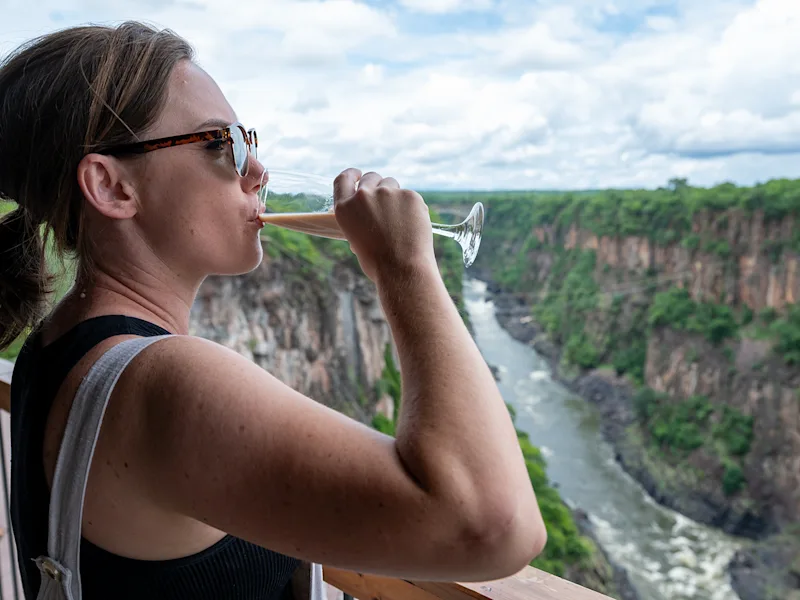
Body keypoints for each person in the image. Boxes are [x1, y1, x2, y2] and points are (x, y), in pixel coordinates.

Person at [0, 21, 547, 600]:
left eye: (248, 141)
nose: (257, 171)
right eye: (220, 144)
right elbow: (494, 524)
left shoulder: (56, 345)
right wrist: (407, 269)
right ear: (112, 188)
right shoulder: (164, 384)